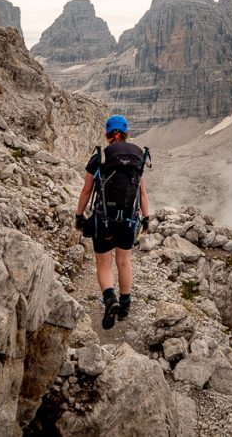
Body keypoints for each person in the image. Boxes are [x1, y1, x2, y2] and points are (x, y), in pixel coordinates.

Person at [75, 114, 150, 330]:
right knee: (124, 261)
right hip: (129, 220)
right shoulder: (137, 156)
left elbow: (86, 190)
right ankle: (125, 307)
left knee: (103, 263)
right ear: (126, 133)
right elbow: (142, 192)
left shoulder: (100, 156)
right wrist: (146, 218)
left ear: (108, 134)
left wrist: (79, 216)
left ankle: (110, 299)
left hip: (104, 220)